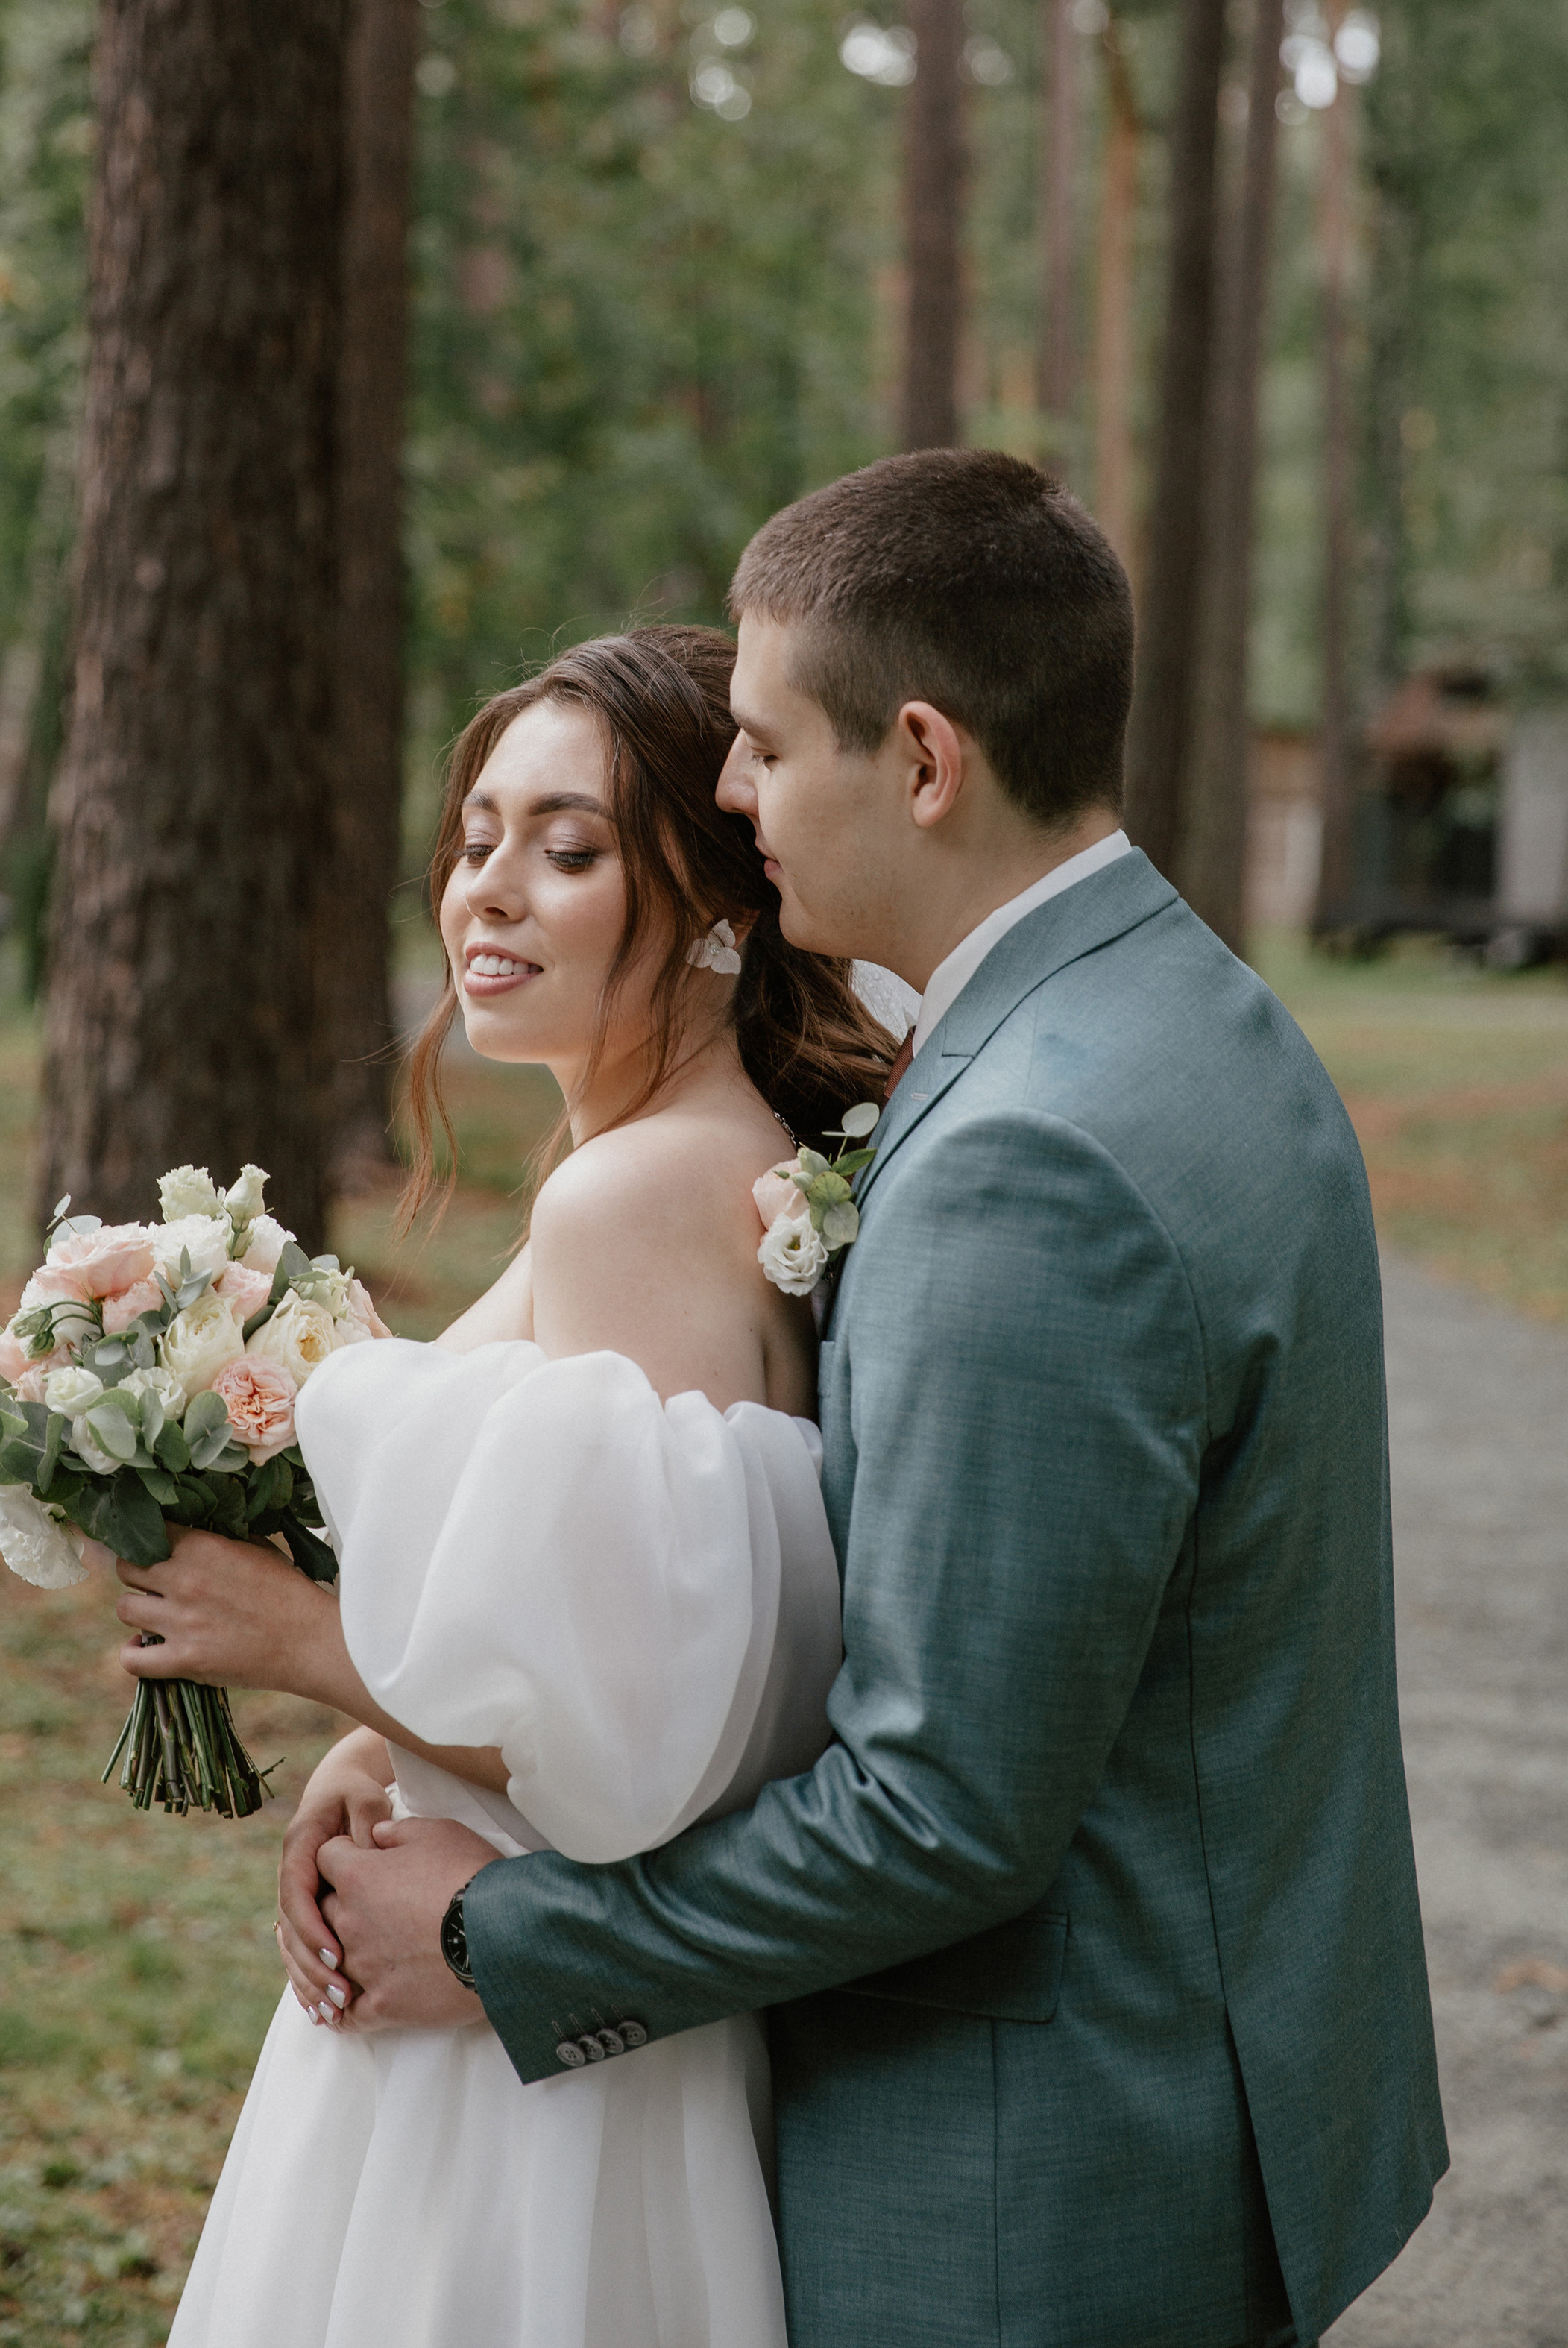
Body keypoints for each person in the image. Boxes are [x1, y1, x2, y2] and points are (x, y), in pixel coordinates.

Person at [286, 450, 1448, 2348]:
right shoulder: (1190, 1014)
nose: (734, 798)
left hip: (1032, 2166)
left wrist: (494, 1936)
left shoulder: (1024, 1158)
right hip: (1219, 2058)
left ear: (919, 759)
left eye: (757, 744)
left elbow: (942, 1809)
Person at [112, 622, 896, 2348]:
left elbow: (634, 1748)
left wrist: (302, 1642)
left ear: (709, 903)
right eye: (474, 841)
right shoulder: (710, 1157)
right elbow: (627, 1622)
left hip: (529, 2050)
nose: (487, 893)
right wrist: (375, 1736)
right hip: (549, 1991)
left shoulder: (626, 1207)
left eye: (568, 850)